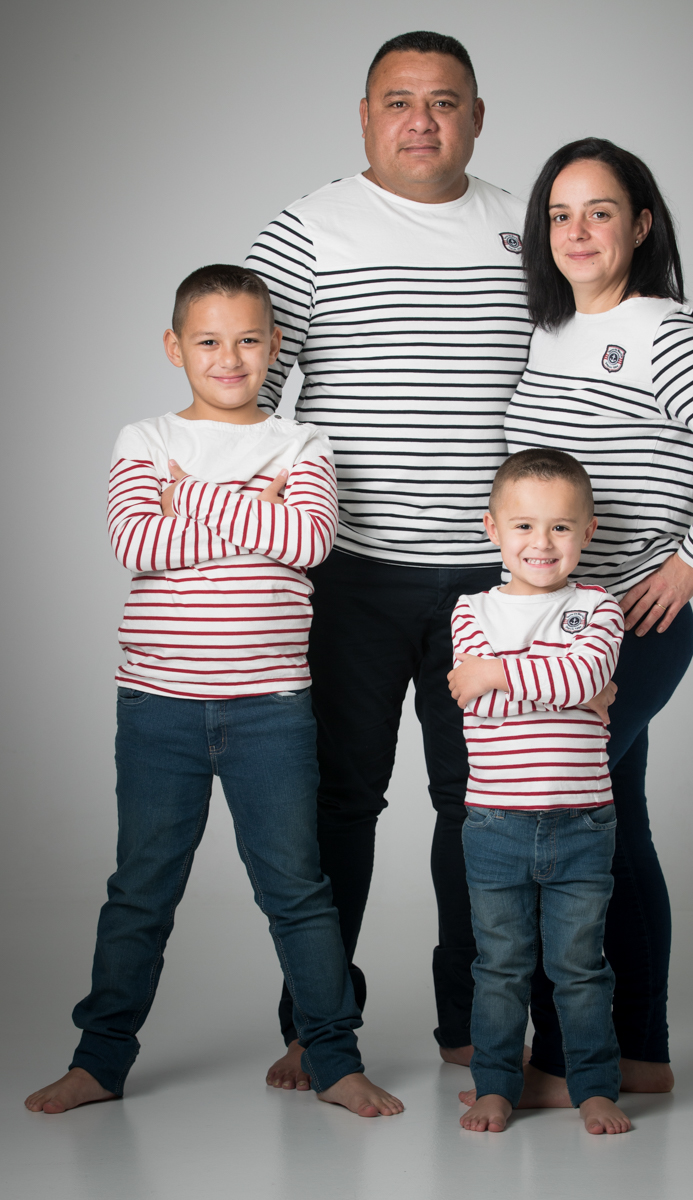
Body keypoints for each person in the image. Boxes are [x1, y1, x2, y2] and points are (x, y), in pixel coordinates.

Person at [24, 265, 403, 1119]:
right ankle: (100, 1059)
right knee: (141, 889)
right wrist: (248, 510)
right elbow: (135, 541)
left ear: (274, 346)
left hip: (271, 709)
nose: (229, 358)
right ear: (175, 348)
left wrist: (190, 501)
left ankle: (334, 1058)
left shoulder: (302, 444)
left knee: (297, 889)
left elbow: (307, 540)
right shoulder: (144, 438)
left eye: (248, 340)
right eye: (208, 341)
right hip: (158, 707)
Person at [245, 31, 531, 1087]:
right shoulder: (308, 229)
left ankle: (473, 1022)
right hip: (353, 573)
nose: (421, 120)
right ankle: (315, 1022)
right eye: (398, 100)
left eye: (444, 101)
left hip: (498, 583)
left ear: (477, 116)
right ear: (364, 116)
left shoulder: (526, 230)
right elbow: (245, 385)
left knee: (482, 808)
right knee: (339, 803)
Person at [500, 137, 693, 1106]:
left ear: (641, 224)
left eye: (599, 211)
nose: (576, 231)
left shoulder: (661, 329)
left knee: (551, 827)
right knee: (617, 840)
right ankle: (640, 1053)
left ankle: (558, 1062)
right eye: (559, 214)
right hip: (561, 626)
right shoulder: (547, 330)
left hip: (629, 627)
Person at [449, 448, 630, 1135]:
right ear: (493, 528)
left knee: (580, 967)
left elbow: (580, 677)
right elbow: (479, 702)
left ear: (587, 532)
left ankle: (593, 1088)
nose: (542, 542)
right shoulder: (472, 610)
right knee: (500, 966)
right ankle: (496, 1086)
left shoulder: (598, 606)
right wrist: (571, 687)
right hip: (495, 823)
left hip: (583, 822)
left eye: (560, 527)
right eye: (524, 525)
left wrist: (503, 672)